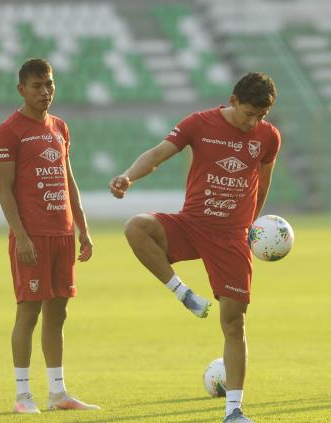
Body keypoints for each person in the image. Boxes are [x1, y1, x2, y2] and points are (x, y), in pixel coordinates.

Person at [109, 72, 280, 423]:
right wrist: (129, 176)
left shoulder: (268, 137)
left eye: (261, 116)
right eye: (249, 113)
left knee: (234, 324)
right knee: (136, 227)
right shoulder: (198, 124)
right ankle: (182, 292)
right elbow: (157, 154)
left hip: (232, 237)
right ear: (233, 101)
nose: (254, 122)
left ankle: (234, 411)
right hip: (193, 224)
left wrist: (250, 227)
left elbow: (262, 185)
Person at [0, 58, 100, 413]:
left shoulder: (60, 128)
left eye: (49, 84)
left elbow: (68, 181)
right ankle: (23, 396)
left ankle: (58, 393)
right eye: (37, 86)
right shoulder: (9, 132)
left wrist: (82, 226)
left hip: (63, 232)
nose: (45, 91)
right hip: (32, 236)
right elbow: (4, 191)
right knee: (28, 313)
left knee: (58, 313)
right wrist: (20, 236)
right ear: (21, 89)